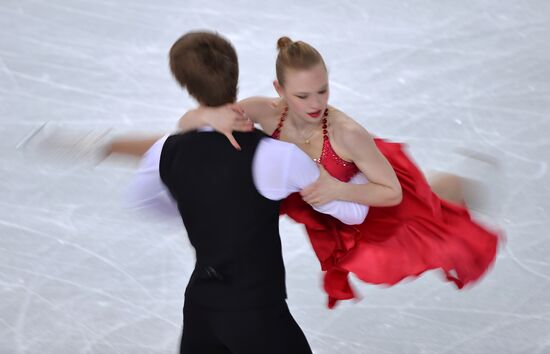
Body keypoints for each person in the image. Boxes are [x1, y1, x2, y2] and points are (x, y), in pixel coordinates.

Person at [170, 36, 501, 309]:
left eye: (323, 91)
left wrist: (339, 191)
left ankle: (458, 185)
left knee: (430, 216)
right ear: (280, 90)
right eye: (302, 95)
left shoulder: (347, 132)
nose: (315, 103)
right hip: (330, 201)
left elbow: (391, 192)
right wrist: (207, 118)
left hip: (373, 194)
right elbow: (188, 121)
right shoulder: (265, 111)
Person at [127, 31, 374, 354]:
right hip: (258, 316)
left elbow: (143, 201)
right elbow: (352, 210)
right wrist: (352, 167)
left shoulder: (165, 150)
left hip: (201, 311)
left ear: (186, 84)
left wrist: (204, 208)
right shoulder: (278, 156)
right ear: (235, 73)